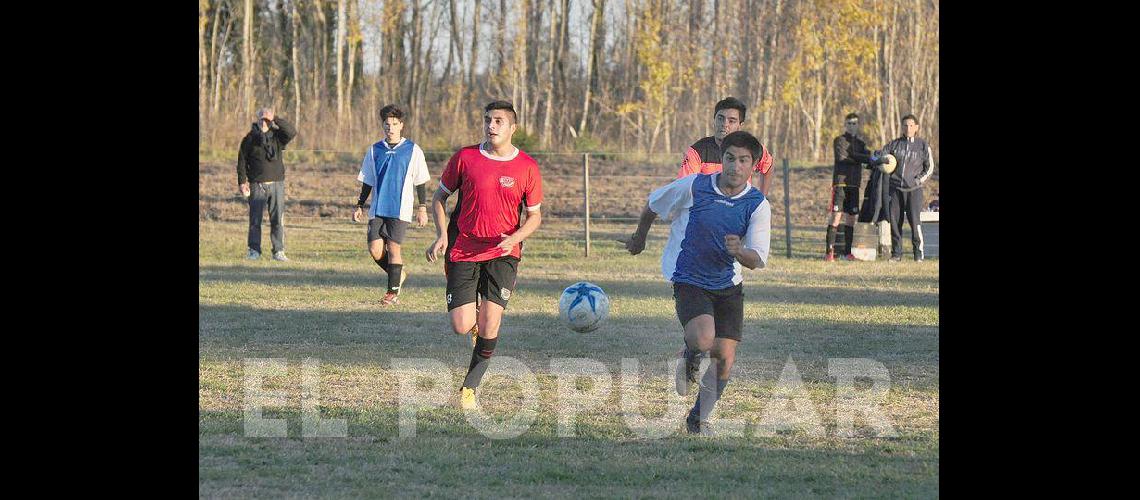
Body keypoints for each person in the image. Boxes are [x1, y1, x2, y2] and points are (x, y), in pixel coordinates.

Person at [626, 131, 771, 436]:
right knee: (704, 339)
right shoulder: (696, 186)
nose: (735, 166)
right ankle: (691, 353)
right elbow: (653, 205)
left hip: (728, 284)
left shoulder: (757, 204)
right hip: (690, 278)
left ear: (754, 166)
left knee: (724, 357)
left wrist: (739, 252)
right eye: (730, 158)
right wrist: (639, 238)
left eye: (744, 160)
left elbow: (756, 258)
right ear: (723, 158)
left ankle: (697, 419)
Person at [425, 101, 544, 410]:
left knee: (491, 324)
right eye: (488, 120)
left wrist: (515, 238)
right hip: (463, 249)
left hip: (504, 254)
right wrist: (441, 235)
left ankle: (469, 388)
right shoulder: (465, 158)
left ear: (512, 128)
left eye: (499, 121)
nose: (492, 125)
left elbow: (534, 217)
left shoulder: (527, 167)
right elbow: (438, 199)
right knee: (461, 326)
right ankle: (474, 324)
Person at [352, 104, 431, 305]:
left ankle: (392, 292)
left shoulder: (413, 150)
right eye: (387, 124)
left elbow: (420, 181)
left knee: (394, 249)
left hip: (401, 209)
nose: (391, 128)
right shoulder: (374, 150)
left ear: (401, 125)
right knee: (375, 250)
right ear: (383, 126)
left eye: (395, 124)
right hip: (378, 208)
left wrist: (422, 208)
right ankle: (398, 274)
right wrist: (359, 205)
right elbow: (368, 180)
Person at [676, 97, 775, 195]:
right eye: (720, 118)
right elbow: (684, 187)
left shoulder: (751, 147)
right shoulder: (697, 151)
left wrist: (762, 198)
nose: (724, 124)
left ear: (740, 125)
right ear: (714, 120)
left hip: (740, 208)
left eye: (731, 121)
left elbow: (768, 166)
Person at [237, 107, 297, 261]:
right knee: (255, 220)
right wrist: (242, 182)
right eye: (262, 119)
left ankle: (278, 251)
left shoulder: (277, 137)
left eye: (266, 120)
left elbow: (291, 132)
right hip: (257, 185)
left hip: (277, 184)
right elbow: (242, 162)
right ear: (257, 120)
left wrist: (274, 117)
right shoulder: (249, 139)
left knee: (277, 219)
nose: (264, 122)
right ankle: (254, 251)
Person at [877, 114, 935, 261]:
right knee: (895, 223)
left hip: (914, 191)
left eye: (910, 125)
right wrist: (879, 159)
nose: (908, 128)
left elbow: (929, 167)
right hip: (895, 190)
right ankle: (896, 254)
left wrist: (918, 180)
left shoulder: (923, 145)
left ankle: (918, 254)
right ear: (901, 127)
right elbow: (879, 156)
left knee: (915, 223)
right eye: (905, 125)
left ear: (916, 127)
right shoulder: (894, 144)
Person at [825, 113, 875, 261]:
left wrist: (876, 159)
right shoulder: (839, 140)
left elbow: (870, 159)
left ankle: (847, 253)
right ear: (845, 125)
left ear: (858, 125)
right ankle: (829, 252)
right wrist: (862, 158)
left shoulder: (861, 144)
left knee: (851, 219)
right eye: (849, 123)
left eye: (854, 123)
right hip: (840, 184)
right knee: (836, 217)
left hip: (854, 185)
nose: (852, 126)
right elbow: (842, 157)